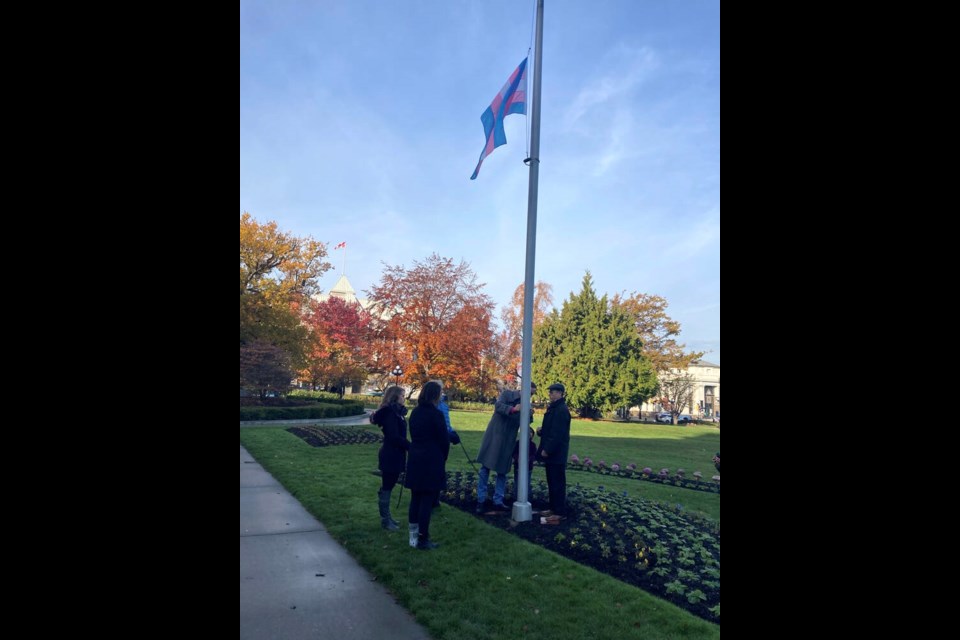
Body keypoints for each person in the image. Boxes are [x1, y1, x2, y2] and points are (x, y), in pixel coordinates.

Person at [475, 380, 536, 513]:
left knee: (502, 470)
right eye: (529, 393)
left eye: (532, 394)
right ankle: (481, 500)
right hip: (495, 436)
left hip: (508, 440)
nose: (530, 396)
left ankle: (498, 501)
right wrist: (514, 409)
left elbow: (526, 423)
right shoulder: (507, 395)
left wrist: (530, 415)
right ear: (523, 390)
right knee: (485, 467)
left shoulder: (527, 404)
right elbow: (498, 406)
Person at [403, 380, 450, 550]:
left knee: (416, 498)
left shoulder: (415, 413)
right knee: (427, 500)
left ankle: (413, 536)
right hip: (432, 458)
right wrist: (442, 456)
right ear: (435, 395)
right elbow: (444, 439)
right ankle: (423, 537)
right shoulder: (435, 414)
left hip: (416, 457)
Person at [370, 386, 409, 531]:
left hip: (396, 453)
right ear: (395, 397)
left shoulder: (396, 412)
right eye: (402, 396)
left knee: (389, 485)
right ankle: (385, 520)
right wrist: (409, 446)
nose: (404, 398)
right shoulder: (390, 413)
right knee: (387, 486)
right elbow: (394, 436)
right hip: (390, 454)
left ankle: (388, 518)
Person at [536, 382, 571, 517]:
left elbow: (558, 433)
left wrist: (547, 449)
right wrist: (541, 431)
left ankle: (559, 511)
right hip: (553, 453)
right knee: (551, 481)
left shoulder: (561, 409)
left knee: (557, 483)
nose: (550, 394)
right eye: (550, 391)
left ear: (560, 393)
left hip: (556, 454)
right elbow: (551, 429)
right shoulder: (554, 408)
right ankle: (552, 508)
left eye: (552, 392)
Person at [432, 390, 461, 508]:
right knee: (435, 471)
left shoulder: (442, 405)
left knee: (438, 470)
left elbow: (446, 423)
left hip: (442, 443)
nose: (442, 393)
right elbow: (440, 426)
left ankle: (435, 498)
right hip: (437, 444)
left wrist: (452, 431)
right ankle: (433, 499)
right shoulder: (436, 407)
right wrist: (449, 434)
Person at [511, 423, 537, 502]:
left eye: (531, 432)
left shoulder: (532, 445)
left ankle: (527, 499)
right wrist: (518, 458)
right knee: (517, 483)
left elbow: (534, 455)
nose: (529, 434)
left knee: (527, 484)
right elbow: (514, 453)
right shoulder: (518, 443)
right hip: (518, 467)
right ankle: (516, 498)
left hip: (528, 468)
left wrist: (529, 459)